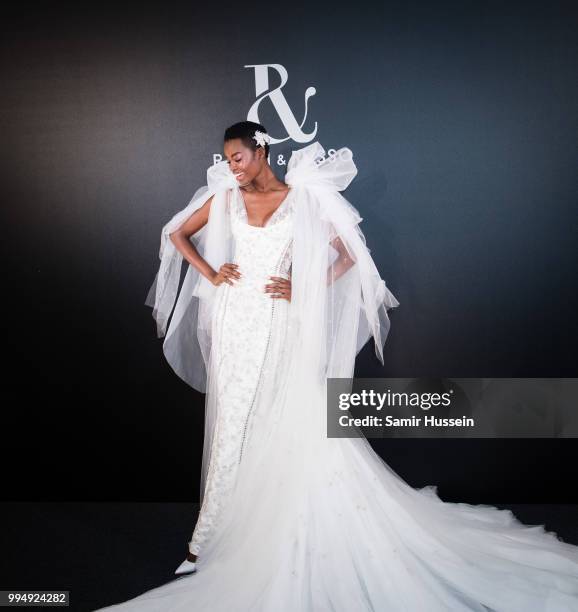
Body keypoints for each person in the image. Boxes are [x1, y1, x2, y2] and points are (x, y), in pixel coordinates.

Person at [95, 122, 578, 611]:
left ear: (261, 152)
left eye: (237, 158)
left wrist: (303, 285)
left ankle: (252, 532)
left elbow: (351, 255)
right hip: (234, 317)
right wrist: (212, 272)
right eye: (226, 160)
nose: (231, 168)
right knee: (229, 425)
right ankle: (206, 541)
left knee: (276, 420)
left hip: (278, 319)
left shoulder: (300, 199)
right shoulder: (226, 198)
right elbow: (176, 233)